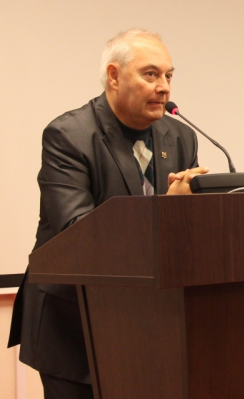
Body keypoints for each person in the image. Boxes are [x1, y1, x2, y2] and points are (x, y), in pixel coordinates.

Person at [7, 29, 209, 399]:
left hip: (150, 322)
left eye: (169, 75)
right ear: (114, 76)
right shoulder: (69, 135)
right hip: (74, 326)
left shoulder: (180, 137)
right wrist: (168, 209)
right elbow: (77, 233)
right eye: (151, 74)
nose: (164, 87)